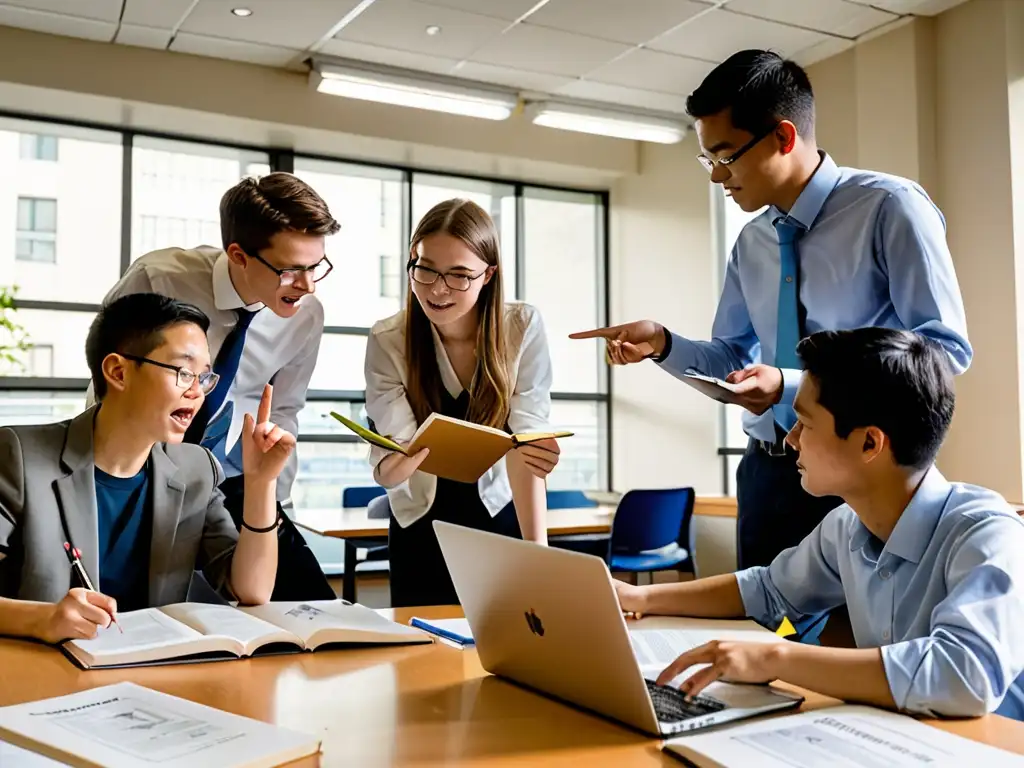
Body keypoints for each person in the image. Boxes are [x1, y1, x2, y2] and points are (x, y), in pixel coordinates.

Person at [570, 50, 971, 574]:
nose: (717, 176)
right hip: (766, 473)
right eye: (707, 159)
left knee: (849, 637)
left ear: (783, 137)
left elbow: (941, 352)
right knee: (766, 630)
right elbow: (734, 358)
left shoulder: (890, 208)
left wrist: (788, 384)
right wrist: (663, 344)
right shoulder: (752, 242)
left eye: (726, 155)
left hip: (860, 474)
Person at [614, 328, 1024, 720]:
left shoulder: (987, 533)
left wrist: (774, 658)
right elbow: (767, 591)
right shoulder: (846, 526)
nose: (791, 439)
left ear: (869, 443)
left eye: (805, 424)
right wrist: (642, 600)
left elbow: (963, 676)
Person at [96, 172, 340, 600]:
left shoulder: (306, 316)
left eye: (316, 266)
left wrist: (273, 503)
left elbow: (284, 411)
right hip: (140, 465)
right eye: (290, 270)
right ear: (239, 256)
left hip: (232, 473)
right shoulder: (160, 279)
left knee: (311, 605)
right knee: (137, 598)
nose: (307, 285)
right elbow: (108, 379)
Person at [0, 293, 294, 643]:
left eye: (204, 377)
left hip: (150, 673)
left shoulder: (196, 468)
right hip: (44, 676)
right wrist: (41, 619)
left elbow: (252, 590)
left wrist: (262, 482)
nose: (197, 393)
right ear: (118, 372)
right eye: (184, 372)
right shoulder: (19, 456)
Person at [364, 199, 562, 607]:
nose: (438, 289)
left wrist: (539, 554)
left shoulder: (520, 327)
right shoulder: (388, 339)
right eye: (426, 269)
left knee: (509, 656)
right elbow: (393, 470)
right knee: (420, 658)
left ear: (488, 275)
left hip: (499, 516)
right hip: (420, 525)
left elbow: (527, 447)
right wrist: (392, 462)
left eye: (459, 275)